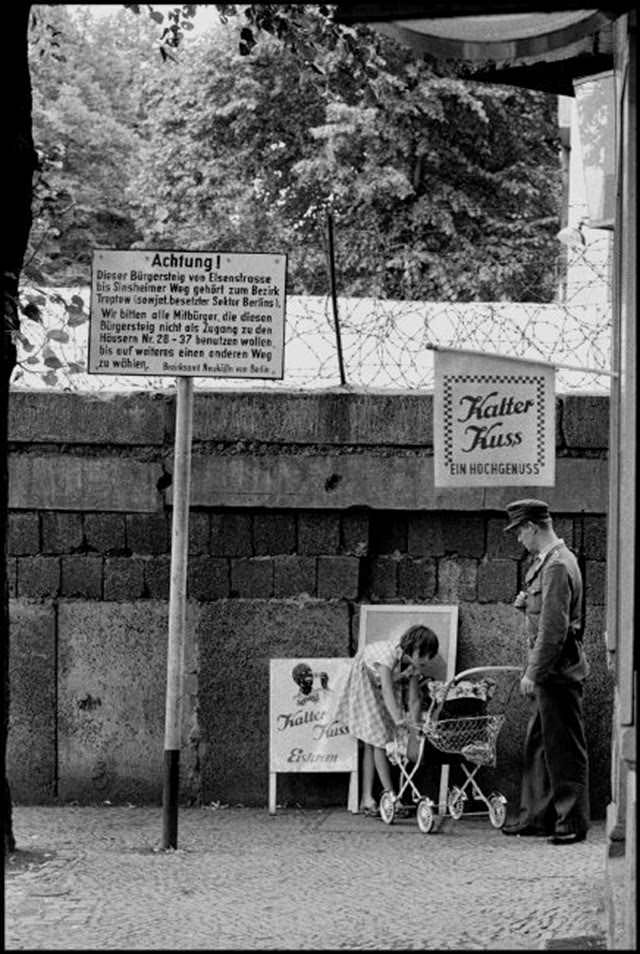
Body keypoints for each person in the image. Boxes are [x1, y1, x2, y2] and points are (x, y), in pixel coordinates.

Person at [501, 498, 590, 845]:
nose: (518, 540)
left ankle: (571, 822)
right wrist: (527, 602)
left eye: (519, 533)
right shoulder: (549, 563)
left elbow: (554, 630)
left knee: (564, 748)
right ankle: (538, 816)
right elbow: (545, 612)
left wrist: (532, 673)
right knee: (539, 744)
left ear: (532, 527)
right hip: (552, 673)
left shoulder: (556, 565)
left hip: (557, 673)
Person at [332, 624, 439, 817]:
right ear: (410, 647)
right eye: (422, 654)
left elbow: (414, 699)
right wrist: (398, 719)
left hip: (382, 682)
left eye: (429, 655)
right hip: (365, 679)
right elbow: (387, 689)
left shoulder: (413, 666)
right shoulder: (387, 655)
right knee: (379, 738)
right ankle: (391, 795)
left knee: (372, 740)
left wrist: (415, 727)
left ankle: (367, 798)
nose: (426, 659)